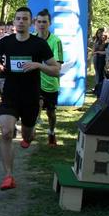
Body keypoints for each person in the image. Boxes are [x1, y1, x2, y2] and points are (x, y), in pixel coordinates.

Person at [0, 7, 60, 191]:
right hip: (10, 96)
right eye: (18, 18)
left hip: (31, 98)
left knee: (27, 135)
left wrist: (38, 65)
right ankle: (8, 176)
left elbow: (56, 70)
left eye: (25, 19)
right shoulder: (6, 42)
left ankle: (29, 133)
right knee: (6, 132)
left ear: (31, 22)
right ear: (14, 22)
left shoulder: (39, 44)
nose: (21, 21)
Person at [34, 9, 64, 146]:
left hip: (50, 83)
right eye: (39, 21)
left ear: (49, 23)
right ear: (35, 23)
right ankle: (31, 131)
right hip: (33, 81)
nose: (41, 24)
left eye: (44, 22)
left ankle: (51, 131)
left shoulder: (56, 41)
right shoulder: (31, 38)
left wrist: (39, 65)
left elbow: (58, 67)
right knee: (35, 106)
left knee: (51, 113)